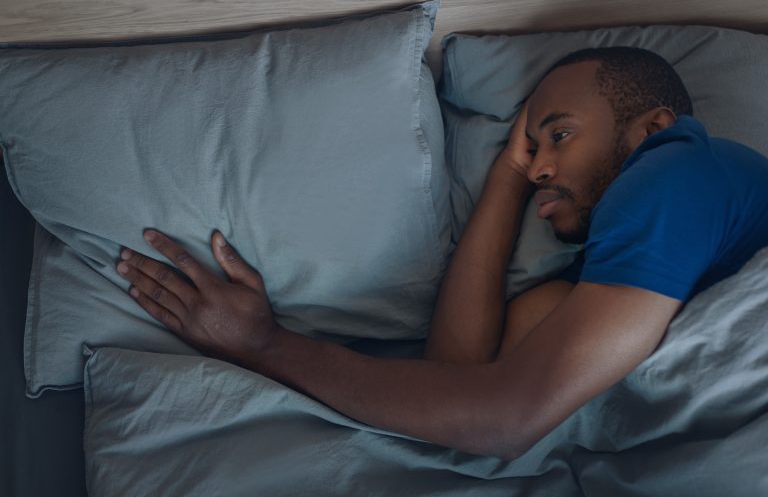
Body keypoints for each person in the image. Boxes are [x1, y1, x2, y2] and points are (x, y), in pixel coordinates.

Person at [113, 46, 768, 461]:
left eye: (560, 135)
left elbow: (504, 421)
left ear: (654, 126)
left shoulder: (672, 171)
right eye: (531, 149)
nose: (540, 166)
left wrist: (264, 345)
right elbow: (456, 379)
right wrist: (506, 179)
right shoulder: (616, 272)